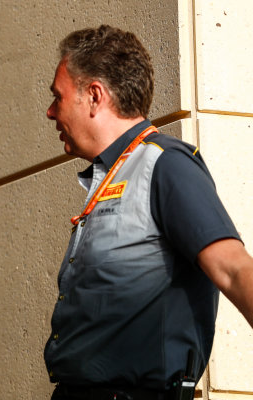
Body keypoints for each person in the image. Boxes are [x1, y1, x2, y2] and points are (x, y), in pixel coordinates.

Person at [44, 25, 253, 400]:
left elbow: (235, 268)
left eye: (57, 97)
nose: (50, 112)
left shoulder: (165, 165)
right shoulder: (114, 175)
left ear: (94, 95)